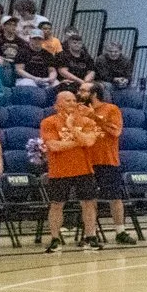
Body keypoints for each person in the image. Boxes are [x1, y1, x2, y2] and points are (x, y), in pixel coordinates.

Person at [39, 90, 100, 252]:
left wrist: (72, 127)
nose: (72, 103)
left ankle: (90, 237)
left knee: (88, 203)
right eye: (67, 100)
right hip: (59, 170)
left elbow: (89, 141)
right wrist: (79, 142)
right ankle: (55, 239)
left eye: (74, 100)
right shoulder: (48, 122)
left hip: (84, 169)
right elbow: (53, 146)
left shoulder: (86, 121)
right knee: (56, 204)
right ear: (57, 104)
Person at [81, 84, 135, 245]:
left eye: (83, 90)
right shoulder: (79, 110)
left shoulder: (111, 109)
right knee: (88, 199)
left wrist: (94, 116)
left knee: (115, 197)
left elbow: (115, 132)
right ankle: (90, 235)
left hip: (107, 160)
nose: (79, 93)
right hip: (86, 161)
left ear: (94, 94)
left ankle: (120, 232)